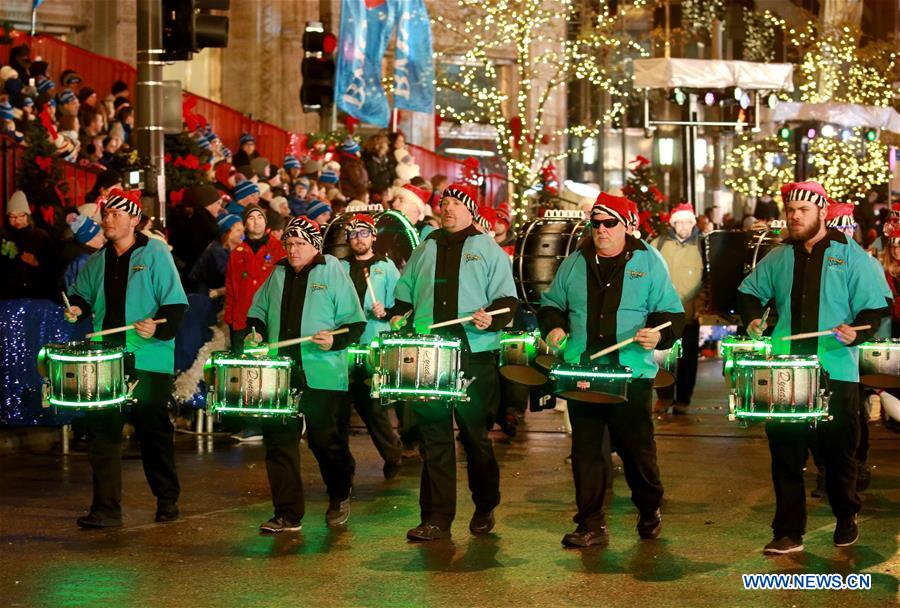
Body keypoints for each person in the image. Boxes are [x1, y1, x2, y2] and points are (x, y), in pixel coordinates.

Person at [737, 180, 889, 555]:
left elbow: (875, 307)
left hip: (834, 368)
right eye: (790, 211)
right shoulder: (779, 256)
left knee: (838, 453)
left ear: (822, 211)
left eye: (802, 210)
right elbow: (748, 292)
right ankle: (788, 531)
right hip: (785, 367)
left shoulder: (849, 254)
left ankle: (845, 516)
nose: (794, 216)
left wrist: (857, 332)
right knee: (785, 453)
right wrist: (754, 319)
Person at [538, 192, 684, 548]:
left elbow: (672, 315)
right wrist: (554, 327)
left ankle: (649, 508)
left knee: (637, 452)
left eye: (609, 224)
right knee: (586, 451)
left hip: (631, 374)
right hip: (584, 371)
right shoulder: (574, 263)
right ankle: (590, 523)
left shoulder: (649, 262)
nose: (601, 231)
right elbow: (551, 305)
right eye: (596, 224)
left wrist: (657, 334)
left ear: (627, 225)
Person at [388, 182, 518, 541]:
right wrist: (400, 314)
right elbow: (405, 292)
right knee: (434, 437)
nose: (446, 209)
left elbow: (509, 300)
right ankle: (436, 517)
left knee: (476, 437)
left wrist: (491, 316)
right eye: (442, 203)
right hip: (431, 354)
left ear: (469, 209)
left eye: (453, 204)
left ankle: (485, 503)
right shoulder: (426, 245)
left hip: (473, 354)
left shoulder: (487, 248)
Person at [64, 188, 188, 528]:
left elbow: (175, 304)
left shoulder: (155, 252)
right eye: (105, 214)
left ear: (134, 220)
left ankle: (166, 499)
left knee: (153, 432)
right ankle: (105, 509)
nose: (108, 219)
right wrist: (77, 307)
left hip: (148, 357)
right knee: (103, 433)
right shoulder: (98, 259)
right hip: (107, 357)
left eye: (115, 214)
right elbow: (82, 295)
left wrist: (158, 329)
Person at [244, 217, 366, 532]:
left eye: (299, 244)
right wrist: (255, 333)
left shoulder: (333, 270)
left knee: (326, 442)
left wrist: (335, 339)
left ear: (314, 245)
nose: (293, 250)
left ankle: (339, 492)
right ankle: (287, 513)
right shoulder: (278, 273)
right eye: (288, 244)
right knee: (278, 442)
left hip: (323, 372)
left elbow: (355, 322)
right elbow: (257, 312)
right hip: (281, 373)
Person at [339, 214, 404, 479]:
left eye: (364, 233)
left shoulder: (386, 266)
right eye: (354, 235)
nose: (358, 239)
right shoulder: (338, 267)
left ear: (373, 237)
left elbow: (401, 306)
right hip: (343, 344)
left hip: (371, 343)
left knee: (372, 407)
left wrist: (386, 311)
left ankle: (392, 454)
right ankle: (343, 465)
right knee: (339, 407)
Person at [650, 203, 704, 415]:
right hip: (662, 311)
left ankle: (683, 399)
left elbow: (708, 281)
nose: (684, 226)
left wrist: (700, 306)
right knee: (661, 355)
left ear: (694, 223)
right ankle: (664, 397)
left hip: (689, 313)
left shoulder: (702, 245)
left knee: (688, 358)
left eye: (688, 221)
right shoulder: (658, 244)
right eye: (679, 221)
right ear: (673, 224)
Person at [224, 204, 286, 352]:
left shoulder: (279, 249)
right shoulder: (236, 253)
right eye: (251, 218)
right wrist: (230, 319)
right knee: (242, 364)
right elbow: (231, 287)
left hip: (270, 317)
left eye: (260, 217)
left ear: (265, 222)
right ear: (245, 224)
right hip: (242, 318)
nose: (256, 221)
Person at [1, 190, 56, 300]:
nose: (17, 220)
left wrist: (36, 262)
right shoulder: (3, 236)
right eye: (12, 216)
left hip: (36, 294)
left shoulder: (41, 236)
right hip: (7, 294)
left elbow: (53, 265)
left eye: (21, 215)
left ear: (27, 215)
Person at [59, 214, 105, 291]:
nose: (103, 238)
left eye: (101, 234)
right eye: (97, 235)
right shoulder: (83, 261)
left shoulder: (90, 254)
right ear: (87, 241)